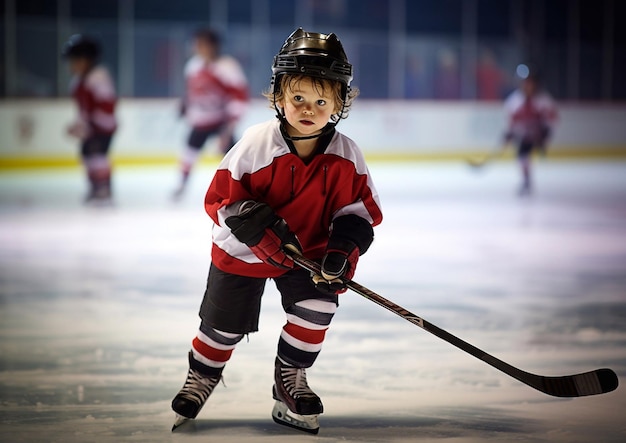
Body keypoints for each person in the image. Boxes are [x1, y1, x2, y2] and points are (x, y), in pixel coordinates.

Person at [170, 28, 383, 434]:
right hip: (243, 251)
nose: (308, 108)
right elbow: (219, 199)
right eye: (298, 97)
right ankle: (202, 375)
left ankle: (290, 379)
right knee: (222, 329)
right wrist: (249, 218)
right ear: (278, 96)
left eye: (322, 101)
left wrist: (341, 252)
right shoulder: (255, 144)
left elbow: (360, 213)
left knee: (317, 311)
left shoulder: (347, 155)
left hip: (310, 255)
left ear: (340, 103)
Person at [173, 28, 249, 200]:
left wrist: (230, 126)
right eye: (196, 43)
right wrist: (185, 105)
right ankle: (182, 185)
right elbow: (191, 90)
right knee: (189, 152)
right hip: (201, 120)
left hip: (221, 120)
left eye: (201, 43)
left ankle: (240, 190)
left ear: (213, 46)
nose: (197, 47)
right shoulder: (193, 65)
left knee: (233, 157)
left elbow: (239, 96)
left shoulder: (227, 66)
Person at [62, 34, 117, 204]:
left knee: (98, 153)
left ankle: (104, 188)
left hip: (103, 126)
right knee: (86, 153)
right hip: (91, 126)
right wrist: (80, 124)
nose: (72, 65)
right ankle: (94, 186)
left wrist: (91, 124)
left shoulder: (98, 77)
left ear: (87, 60)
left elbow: (107, 106)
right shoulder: (78, 82)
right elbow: (83, 109)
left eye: (75, 60)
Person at [503, 67, 558, 195]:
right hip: (525, 135)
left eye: (530, 82)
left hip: (539, 134)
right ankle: (526, 180)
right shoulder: (514, 101)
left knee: (525, 154)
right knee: (522, 156)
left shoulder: (544, 100)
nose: (528, 86)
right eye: (525, 83)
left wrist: (545, 133)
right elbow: (511, 123)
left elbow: (553, 120)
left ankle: (527, 179)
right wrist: (509, 134)